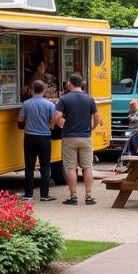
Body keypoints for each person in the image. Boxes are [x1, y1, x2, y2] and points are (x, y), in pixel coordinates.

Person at [52, 73, 101, 206]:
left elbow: (57, 116)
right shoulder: (89, 99)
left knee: (71, 168)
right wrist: (91, 127)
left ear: (70, 84)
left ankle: (73, 196)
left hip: (69, 137)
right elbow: (97, 118)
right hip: (85, 137)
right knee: (87, 167)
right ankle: (89, 196)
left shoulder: (64, 99)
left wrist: (61, 124)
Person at [18, 79, 57, 203]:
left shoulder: (26, 104)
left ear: (32, 89)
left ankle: (28, 194)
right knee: (45, 166)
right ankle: (44, 194)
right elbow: (54, 120)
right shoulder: (50, 105)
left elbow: (20, 120)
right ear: (44, 90)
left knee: (29, 166)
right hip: (44, 137)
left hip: (29, 137)